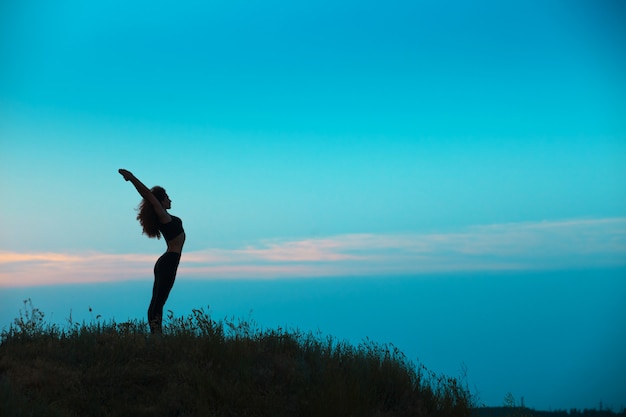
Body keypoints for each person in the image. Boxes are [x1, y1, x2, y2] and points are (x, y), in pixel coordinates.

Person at [118, 169, 186, 334]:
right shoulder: (164, 218)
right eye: (167, 197)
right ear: (161, 202)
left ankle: (156, 335)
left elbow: (151, 198)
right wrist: (131, 178)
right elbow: (148, 196)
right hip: (168, 262)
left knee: (158, 302)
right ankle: (156, 336)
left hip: (166, 262)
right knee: (158, 303)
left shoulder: (167, 217)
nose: (170, 199)